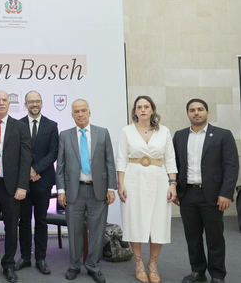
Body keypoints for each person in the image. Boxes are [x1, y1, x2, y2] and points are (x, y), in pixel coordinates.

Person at [173, 99, 239, 283]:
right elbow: (175, 165)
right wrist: (176, 189)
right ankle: (197, 271)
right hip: (188, 195)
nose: (196, 113)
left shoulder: (222, 135)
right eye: (192, 110)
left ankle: (217, 275)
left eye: (200, 109)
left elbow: (231, 166)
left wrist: (226, 193)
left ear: (207, 113)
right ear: (187, 114)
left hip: (213, 195)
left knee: (214, 237)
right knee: (192, 237)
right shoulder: (179, 136)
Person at [116, 95, 177, 283]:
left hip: (159, 180)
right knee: (135, 221)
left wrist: (172, 184)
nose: (142, 109)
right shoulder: (126, 131)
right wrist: (121, 184)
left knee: (157, 223)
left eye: (146, 106)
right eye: (139, 107)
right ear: (134, 111)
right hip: (134, 180)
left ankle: (153, 264)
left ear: (152, 110)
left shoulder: (164, 131)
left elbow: (170, 159)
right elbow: (121, 159)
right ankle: (139, 263)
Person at [57, 99, 116, 283]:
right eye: (76, 111)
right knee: (74, 231)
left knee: (97, 231)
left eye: (83, 110)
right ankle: (74, 266)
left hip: (98, 191)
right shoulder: (65, 135)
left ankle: (93, 266)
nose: (80, 114)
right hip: (74, 191)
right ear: (72, 115)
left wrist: (111, 187)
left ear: (89, 112)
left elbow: (109, 162)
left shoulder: (102, 133)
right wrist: (61, 190)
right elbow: (60, 165)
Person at [0, 91, 31, 283]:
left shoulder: (20, 127)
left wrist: (22, 186)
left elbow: (26, 158)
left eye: (4, 100)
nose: (1, 103)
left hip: (11, 187)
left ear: (9, 103)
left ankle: (9, 264)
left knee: (11, 227)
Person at [16, 90, 59, 275]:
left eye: (37, 101)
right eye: (31, 101)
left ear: (42, 103)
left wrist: (36, 170)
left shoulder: (51, 125)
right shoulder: (18, 125)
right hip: (23, 183)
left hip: (43, 181)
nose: (34, 104)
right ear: (25, 104)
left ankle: (40, 258)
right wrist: (28, 172)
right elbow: (15, 153)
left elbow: (53, 152)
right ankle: (25, 257)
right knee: (24, 220)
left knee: (41, 220)